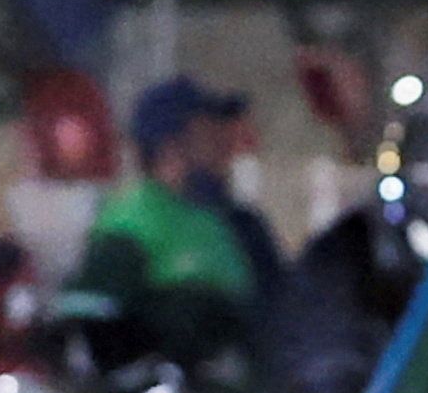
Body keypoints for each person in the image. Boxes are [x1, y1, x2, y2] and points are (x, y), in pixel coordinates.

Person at [60, 75, 272, 377]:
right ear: (171, 147)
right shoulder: (132, 224)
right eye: (209, 135)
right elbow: (93, 331)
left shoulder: (237, 222)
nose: (225, 147)